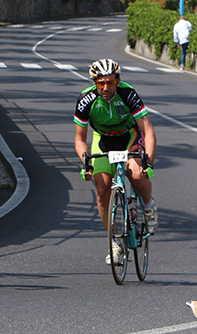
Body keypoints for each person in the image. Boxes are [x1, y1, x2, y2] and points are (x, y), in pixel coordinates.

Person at [74, 59, 158, 265]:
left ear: (118, 81)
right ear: (94, 82)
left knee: (137, 173)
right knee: (102, 190)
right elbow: (79, 140)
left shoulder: (128, 94)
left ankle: (148, 205)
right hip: (103, 141)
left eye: (110, 83)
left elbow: (148, 131)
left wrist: (149, 162)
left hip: (129, 136)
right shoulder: (86, 100)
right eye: (100, 83)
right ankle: (115, 241)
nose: (105, 87)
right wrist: (86, 163)